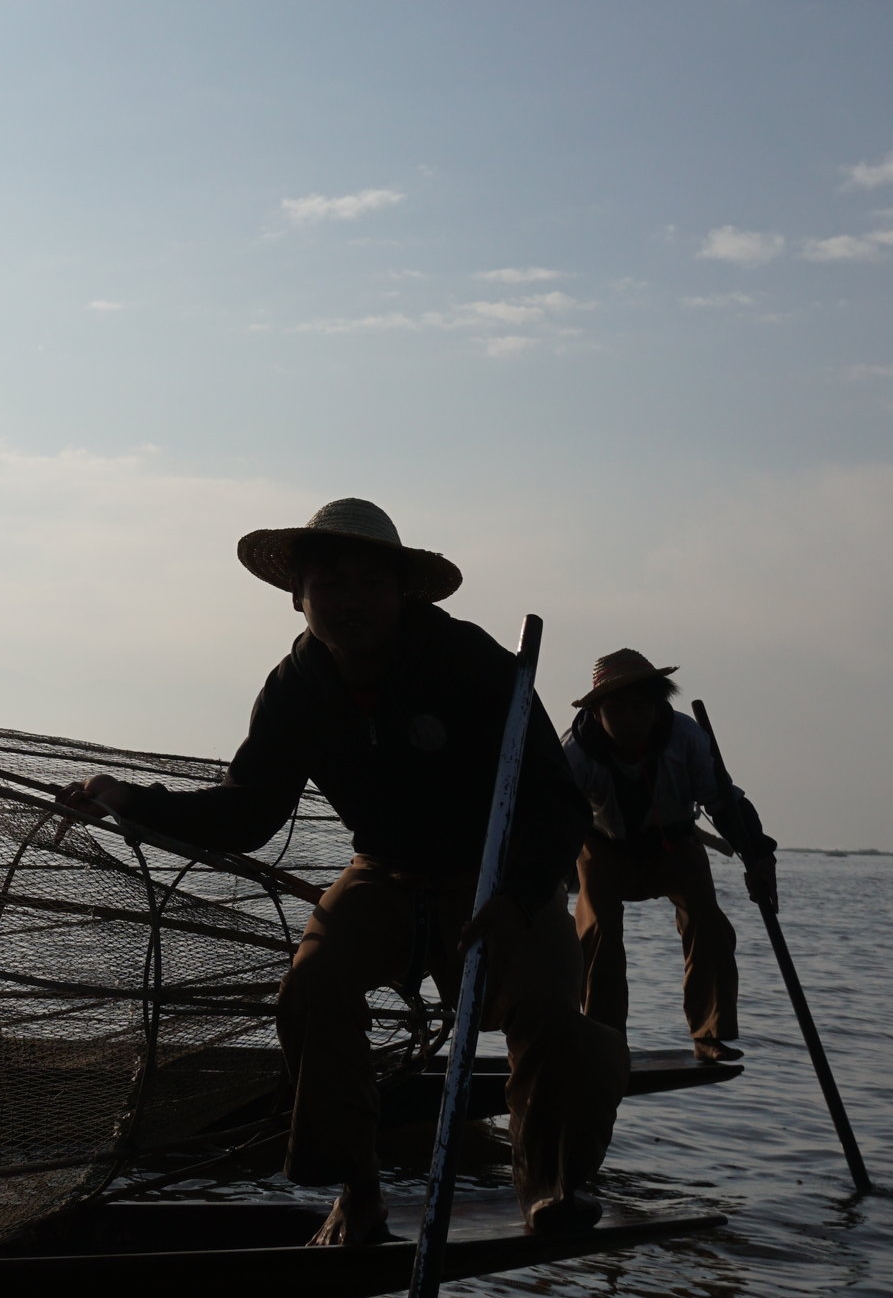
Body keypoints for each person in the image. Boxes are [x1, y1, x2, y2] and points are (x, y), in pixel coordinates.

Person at [60, 499, 626, 1244]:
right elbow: (247, 812)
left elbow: (558, 805)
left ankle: (552, 1186)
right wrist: (125, 798)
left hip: (496, 878)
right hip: (385, 873)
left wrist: (519, 896)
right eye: (330, 584)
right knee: (311, 986)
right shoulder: (297, 686)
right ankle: (357, 1192)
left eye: (370, 583)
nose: (350, 602)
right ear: (298, 596)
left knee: (553, 1016)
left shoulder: (468, 660)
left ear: (403, 593)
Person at [561, 650, 776, 1064]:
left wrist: (758, 856)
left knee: (709, 926)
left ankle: (709, 1033)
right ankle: (605, 1041)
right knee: (598, 936)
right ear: (596, 711)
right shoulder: (575, 752)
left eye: (640, 707)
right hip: (603, 847)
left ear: (659, 706)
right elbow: (551, 817)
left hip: (675, 846)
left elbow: (722, 801)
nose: (628, 719)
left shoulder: (686, 738)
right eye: (615, 709)